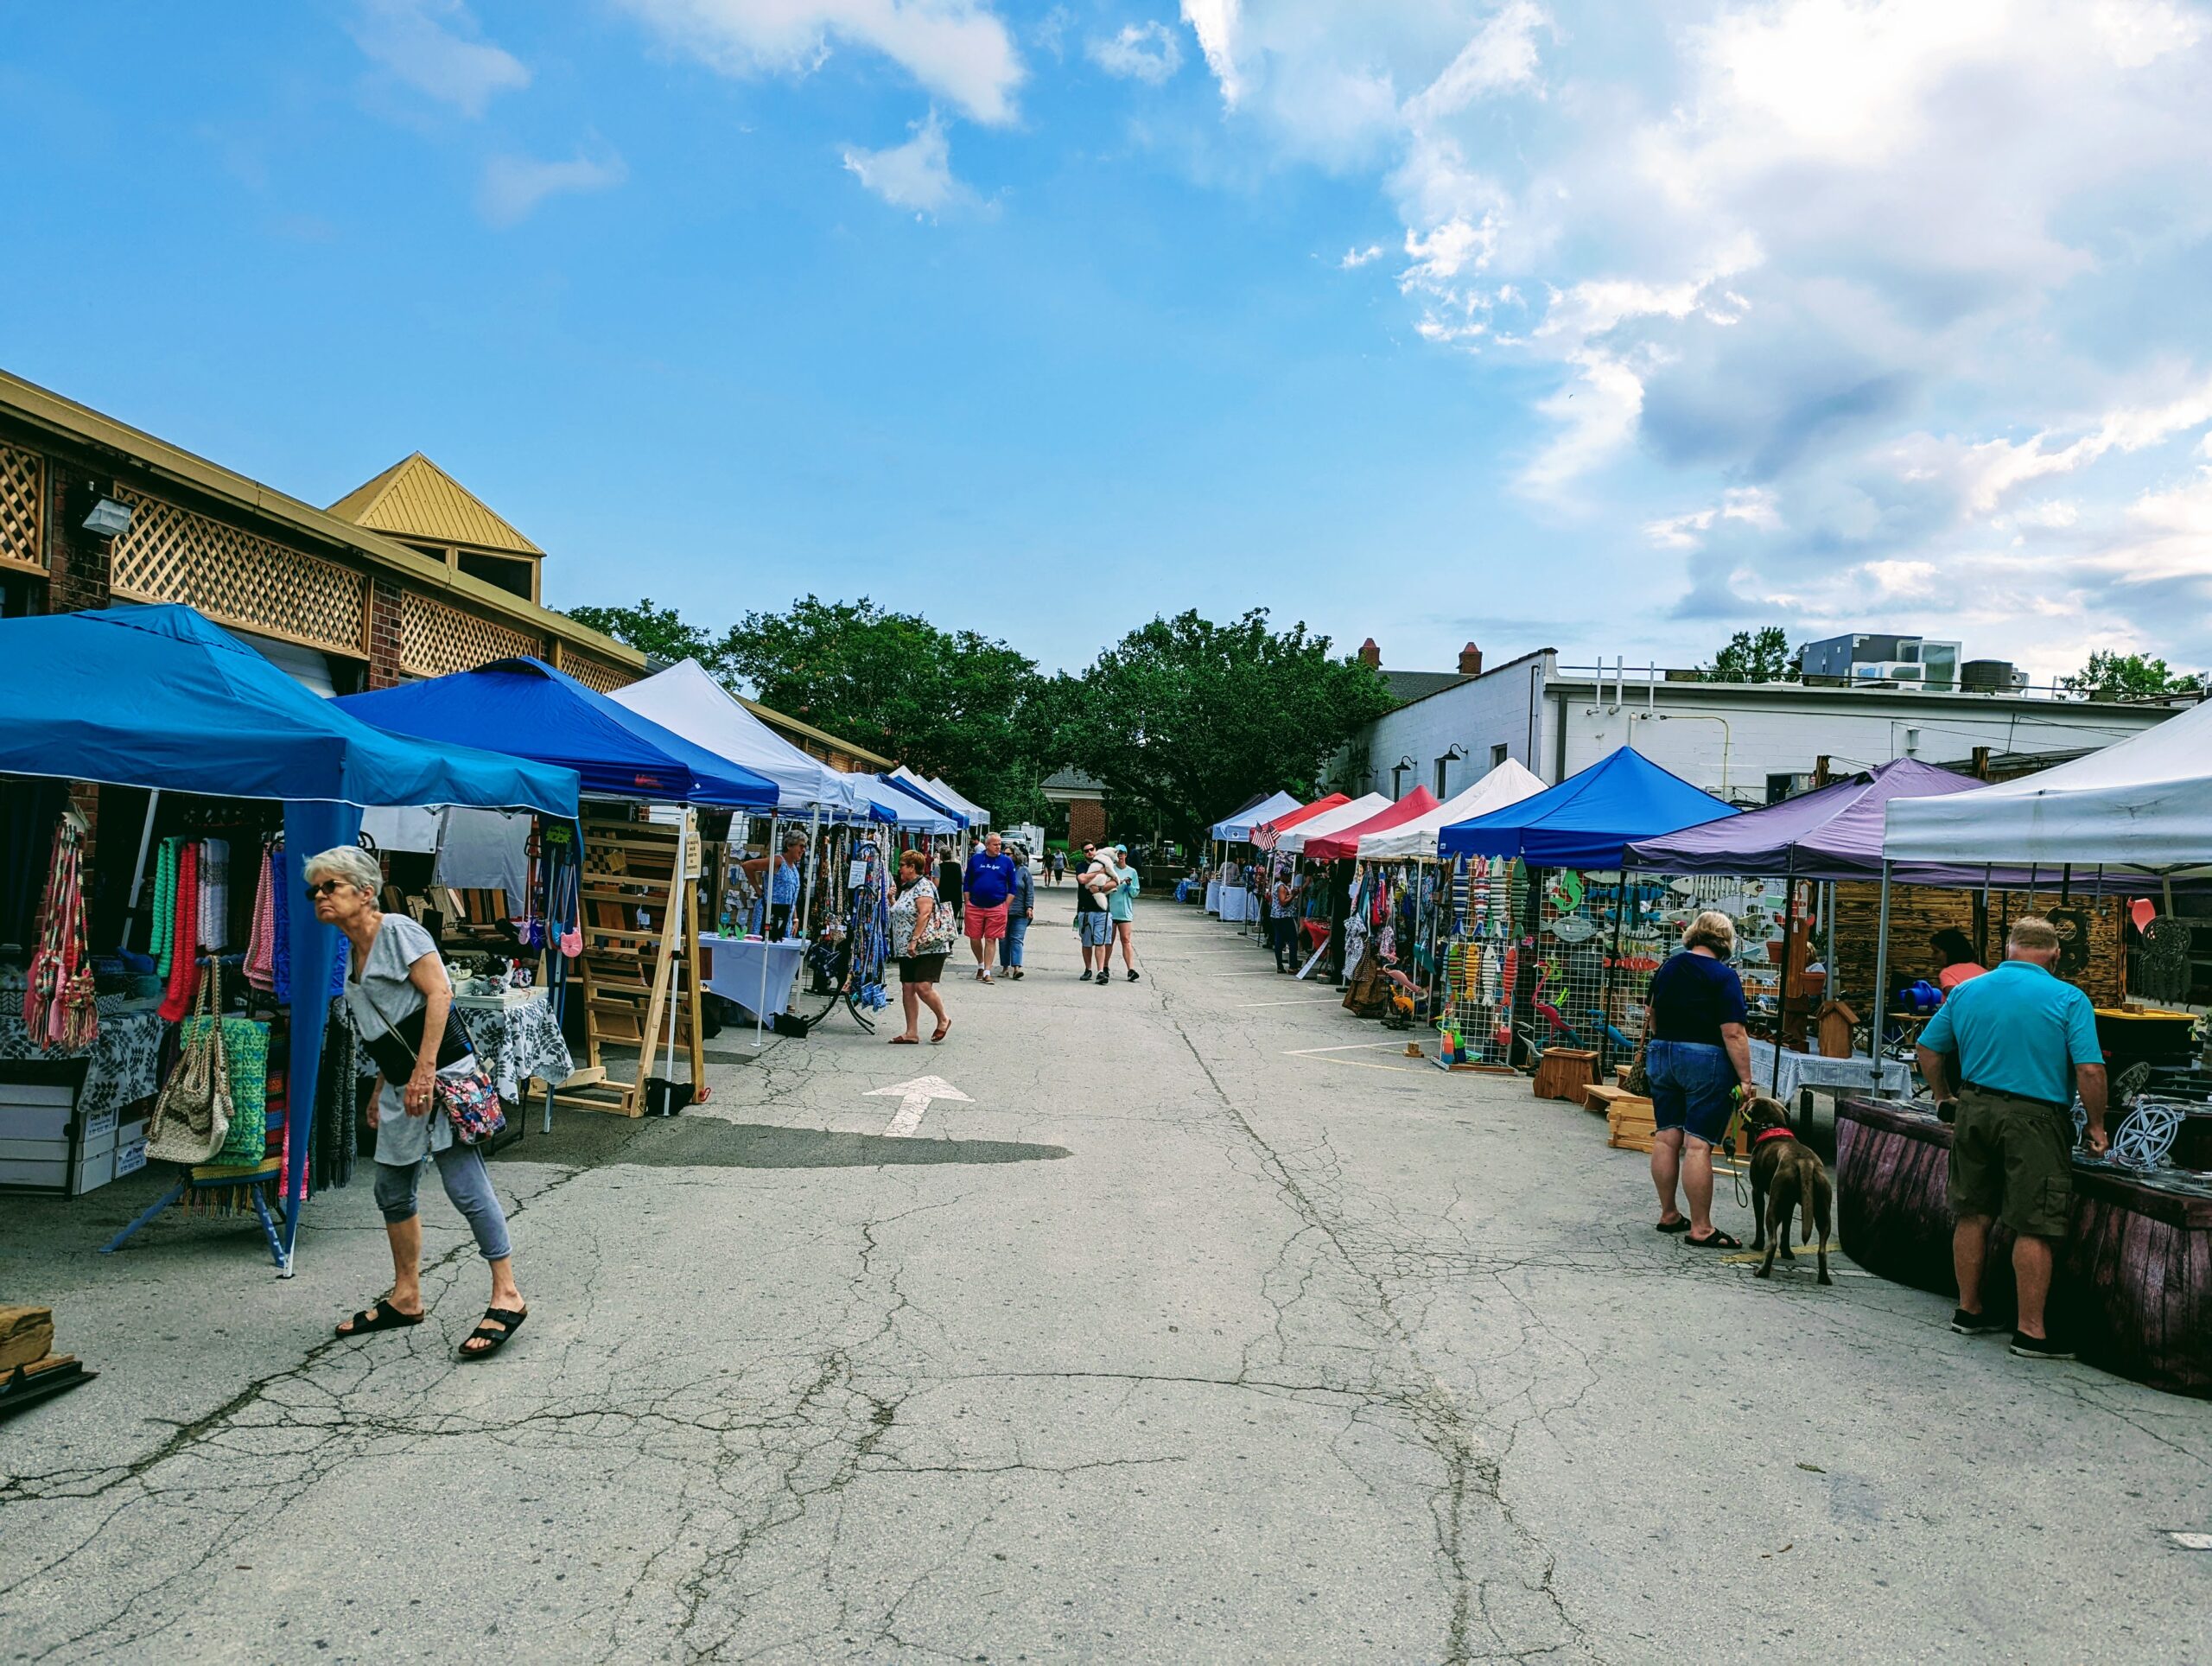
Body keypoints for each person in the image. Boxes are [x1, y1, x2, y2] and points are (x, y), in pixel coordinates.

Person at [314, 845, 526, 1361]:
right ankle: (406, 1296)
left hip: (440, 1076)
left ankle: (507, 1293)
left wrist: (424, 1074)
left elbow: (439, 995)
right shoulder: (351, 951)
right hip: (402, 1083)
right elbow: (385, 1029)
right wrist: (380, 1088)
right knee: (391, 1188)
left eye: (330, 886)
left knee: (464, 1184)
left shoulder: (398, 932)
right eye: (314, 889)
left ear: (365, 892)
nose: (319, 896)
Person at [1916, 916, 2107, 1360]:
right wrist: (2096, 1126)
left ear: (2009, 949)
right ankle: (2031, 1332)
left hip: (1974, 1107)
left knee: (1972, 1212)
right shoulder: (2069, 998)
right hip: (2036, 1117)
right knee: (2034, 1222)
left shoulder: (1967, 990)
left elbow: (1928, 1047)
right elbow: (2090, 1070)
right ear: (2056, 954)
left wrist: (1944, 1096)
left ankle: (1969, 1310)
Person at [1643, 910, 1756, 1250]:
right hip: (1704, 1059)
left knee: (1666, 1138)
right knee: (1698, 1145)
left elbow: (1652, 1015)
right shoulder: (1724, 976)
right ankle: (1702, 1228)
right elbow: (1733, 1033)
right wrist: (1746, 1080)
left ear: (1693, 934)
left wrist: (1665, 1042)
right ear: (1726, 942)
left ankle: (1669, 1214)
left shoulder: (1667, 967)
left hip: (1662, 1052)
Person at [887, 849, 953, 1044]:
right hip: (906, 948)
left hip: (927, 946)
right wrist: (891, 899)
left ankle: (943, 1018)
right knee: (908, 987)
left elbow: (925, 913)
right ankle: (911, 1033)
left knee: (922, 986)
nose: (899, 869)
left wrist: (914, 940)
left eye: (902, 866)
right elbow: (902, 912)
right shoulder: (907, 888)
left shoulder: (923, 886)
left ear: (912, 867)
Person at [962, 830, 1020, 984]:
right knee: (974, 938)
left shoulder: (1006, 862)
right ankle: (980, 964)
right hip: (975, 905)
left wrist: (1005, 905)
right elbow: (967, 882)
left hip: (997, 906)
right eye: (995, 844)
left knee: (991, 938)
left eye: (1000, 844)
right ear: (987, 845)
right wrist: (967, 901)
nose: (998, 847)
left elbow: (1013, 886)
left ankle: (987, 971)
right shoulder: (976, 859)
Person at [741, 832, 807, 940]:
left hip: (784, 916)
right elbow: (747, 866)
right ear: (789, 846)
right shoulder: (778, 861)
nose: (804, 850)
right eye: (801, 846)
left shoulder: (794, 868)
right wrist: (758, 889)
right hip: (769, 913)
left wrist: (795, 919)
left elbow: (791, 895)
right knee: (765, 944)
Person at [1074, 841, 1114, 981]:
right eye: (1086, 851)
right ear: (1083, 853)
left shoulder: (1105, 862)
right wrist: (1099, 872)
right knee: (1086, 942)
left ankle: (1101, 971)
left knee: (1100, 941)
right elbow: (1082, 879)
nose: (1090, 852)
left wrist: (1100, 888)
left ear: (1096, 849)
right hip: (1085, 909)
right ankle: (1088, 969)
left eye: (1091, 849)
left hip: (1102, 910)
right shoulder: (1081, 866)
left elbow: (1115, 881)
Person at [1107, 843, 1142, 982]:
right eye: (1117, 853)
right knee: (1109, 941)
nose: (1119, 856)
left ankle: (1130, 970)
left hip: (1125, 912)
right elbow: (1104, 889)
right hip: (1111, 911)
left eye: (1122, 853)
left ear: (1126, 855)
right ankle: (1105, 967)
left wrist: (1129, 884)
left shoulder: (1132, 872)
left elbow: (1135, 893)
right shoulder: (1110, 870)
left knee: (1126, 940)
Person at [998, 845, 1034, 979]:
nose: (1006, 856)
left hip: (1020, 912)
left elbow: (1030, 891)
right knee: (1003, 940)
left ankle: (1016, 968)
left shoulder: (1024, 871)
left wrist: (1029, 907)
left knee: (1017, 939)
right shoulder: (1001, 870)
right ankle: (1005, 967)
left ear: (1015, 855)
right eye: (1004, 854)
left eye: (1009, 854)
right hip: (1003, 910)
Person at [1931, 927, 1988, 992]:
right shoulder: (1982, 970)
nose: (1933, 956)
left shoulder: (1947, 973)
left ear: (1949, 951)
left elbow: (1956, 996)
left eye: (1936, 951)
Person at [1270, 866, 1299, 973]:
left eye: (1290, 876)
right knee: (1293, 940)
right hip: (1284, 916)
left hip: (1277, 916)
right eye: (1287, 876)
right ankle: (1292, 966)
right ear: (1282, 876)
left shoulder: (1279, 885)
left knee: (1279, 940)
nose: (1289, 878)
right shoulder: (1281, 887)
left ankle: (1280, 966)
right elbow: (1283, 902)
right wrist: (1293, 896)